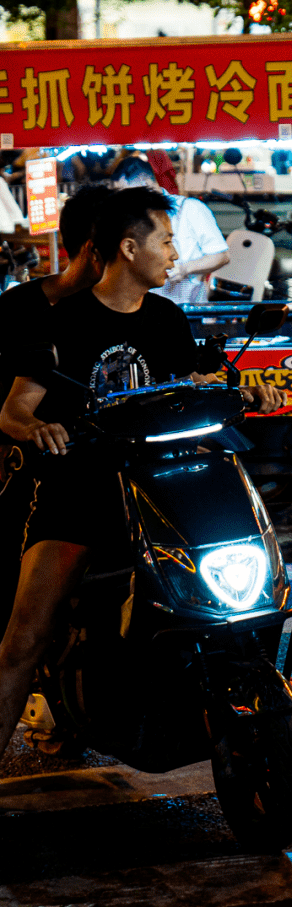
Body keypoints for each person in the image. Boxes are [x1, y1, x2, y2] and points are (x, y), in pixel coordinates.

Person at [0, 187, 282, 765]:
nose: (176, 252)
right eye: (167, 240)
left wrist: (247, 391)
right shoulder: (66, 324)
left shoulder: (168, 319)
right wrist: (36, 429)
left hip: (161, 493)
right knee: (22, 641)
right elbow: (14, 408)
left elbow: (200, 385)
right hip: (80, 493)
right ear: (129, 248)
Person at [0, 184, 111, 635]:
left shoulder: (129, 312)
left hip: (100, 477)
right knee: (20, 621)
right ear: (94, 248)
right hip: (26, 480)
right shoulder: (19, 309)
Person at [110, 153, 229, 304]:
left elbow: (221, 255)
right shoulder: (132, 218)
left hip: (187, 312)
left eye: (128, 195)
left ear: (147, 183)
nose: (125, 202)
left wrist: (185, 269)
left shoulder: (189, 209)